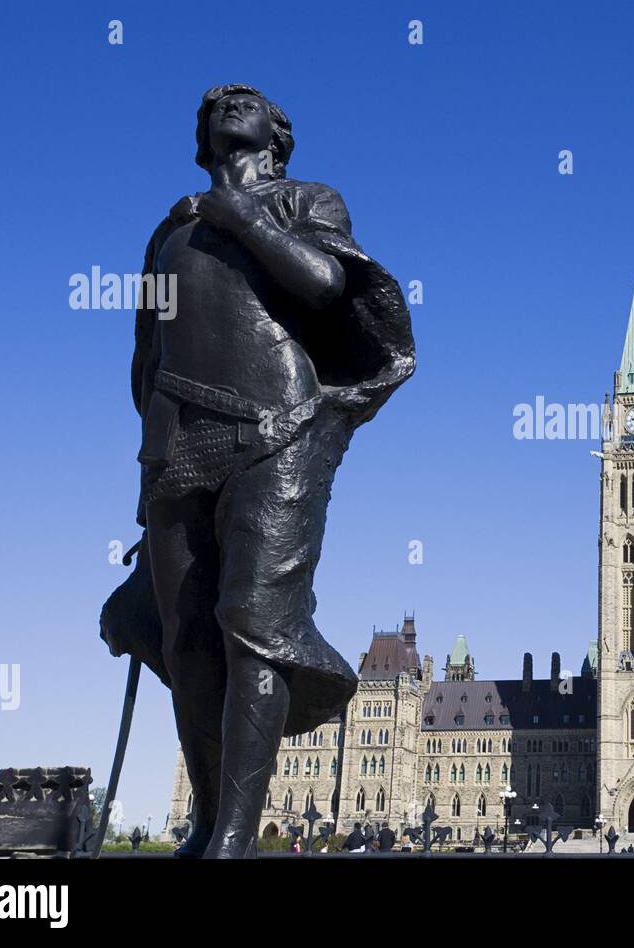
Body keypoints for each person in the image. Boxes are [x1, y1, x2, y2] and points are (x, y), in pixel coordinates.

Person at [99, 83, 415, 859]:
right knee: (186, 639)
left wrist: (242, 214)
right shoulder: (170, 231)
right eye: (215, 102)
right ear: (203, 136)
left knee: (255, 626)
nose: (228, 99)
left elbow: (324, 283)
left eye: (248, 100)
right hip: (178, 438)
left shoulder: (307, 199)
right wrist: (147, 480)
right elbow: (147, 354)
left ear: (278, 133)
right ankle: (209, 820)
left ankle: (233, 840)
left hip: (279, 430)